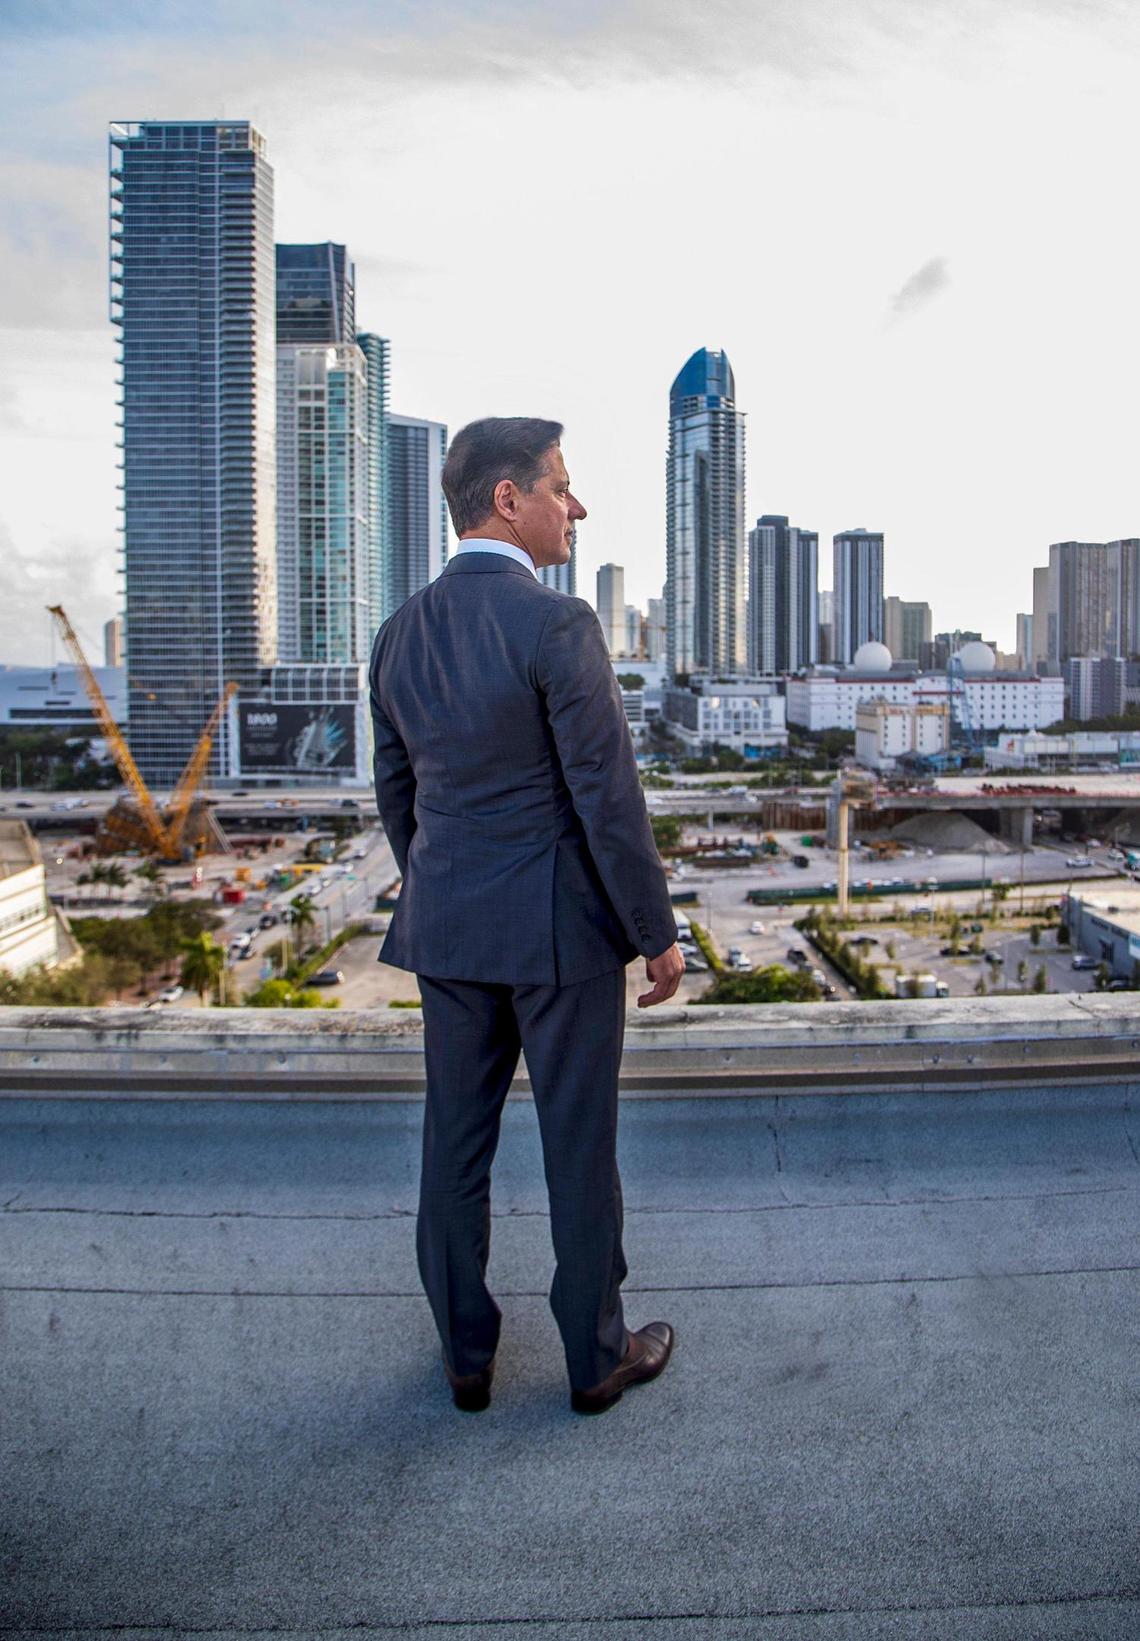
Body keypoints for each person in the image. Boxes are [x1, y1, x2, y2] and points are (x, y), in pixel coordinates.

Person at [369, 417, 685, 1415]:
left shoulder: (398, 631)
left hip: (449, 932)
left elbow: (396, 795)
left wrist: (441, 889)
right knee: (576, 1148)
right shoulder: (558, 624)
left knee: (452, 1147)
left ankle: (466, 1355)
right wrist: (655, 930)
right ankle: (597, 1357)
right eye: (561, 486)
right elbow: (607, 798)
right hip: (559, 940)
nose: (576, 506)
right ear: (508, 499)